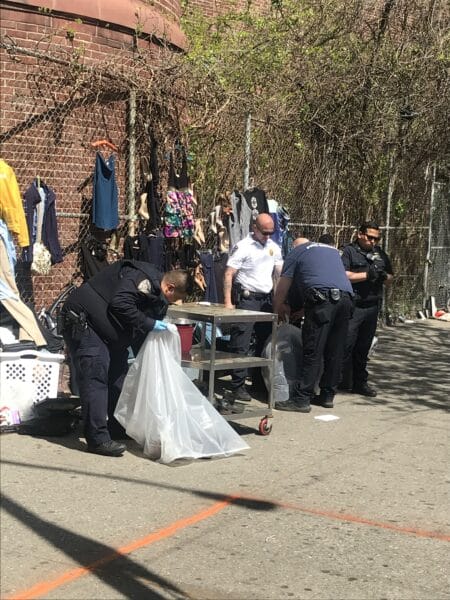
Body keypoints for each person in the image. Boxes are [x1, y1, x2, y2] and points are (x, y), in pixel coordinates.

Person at [61, 260, 193, 456]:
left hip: (110, 331)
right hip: (85, 320)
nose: (172, 304)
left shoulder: (157, 295)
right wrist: (149, 324)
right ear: (169, 287)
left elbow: (141, 330)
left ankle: (117, 428)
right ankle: (97, 439)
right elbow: (120, 304)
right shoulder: (141, 279)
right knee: (96, 374)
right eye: (174, 299)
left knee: (118, 377)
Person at [273, 238, 354, 412]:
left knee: (313, 350)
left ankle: (302, 399)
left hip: (322, 300)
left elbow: (283, 285)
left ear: (295, 246)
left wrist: (277, 308)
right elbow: (325, 282)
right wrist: (305, 310)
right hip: (346, 300)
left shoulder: (296, 252)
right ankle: (327, 395)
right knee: (335, 350)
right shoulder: (331, 252)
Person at [223, 213, 283, 401]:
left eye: (271, 233)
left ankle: (258, 382)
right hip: (248, 299)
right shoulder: (243, 247)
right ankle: (237, 385)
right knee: (241, 342)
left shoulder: (274, 247)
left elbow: (278, 275)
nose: (267, 236)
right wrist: (228, 303)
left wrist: (278, 302)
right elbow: (229, 274)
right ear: (255, 228)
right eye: (264, 232)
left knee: (265, 343)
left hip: (265, 300)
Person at [340, 221, 393, 396]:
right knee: (346, 344)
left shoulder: (379, 254)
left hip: (372, 306)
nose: (373, 242)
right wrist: (367, 275)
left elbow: (391, 276)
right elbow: (343, 275)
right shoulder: (349, 251)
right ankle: (339, 380)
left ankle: (360, 383)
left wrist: (384, 277)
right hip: (355, 305)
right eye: (370, 237)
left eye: (377, 239)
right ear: (360, 234)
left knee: (363, 347)